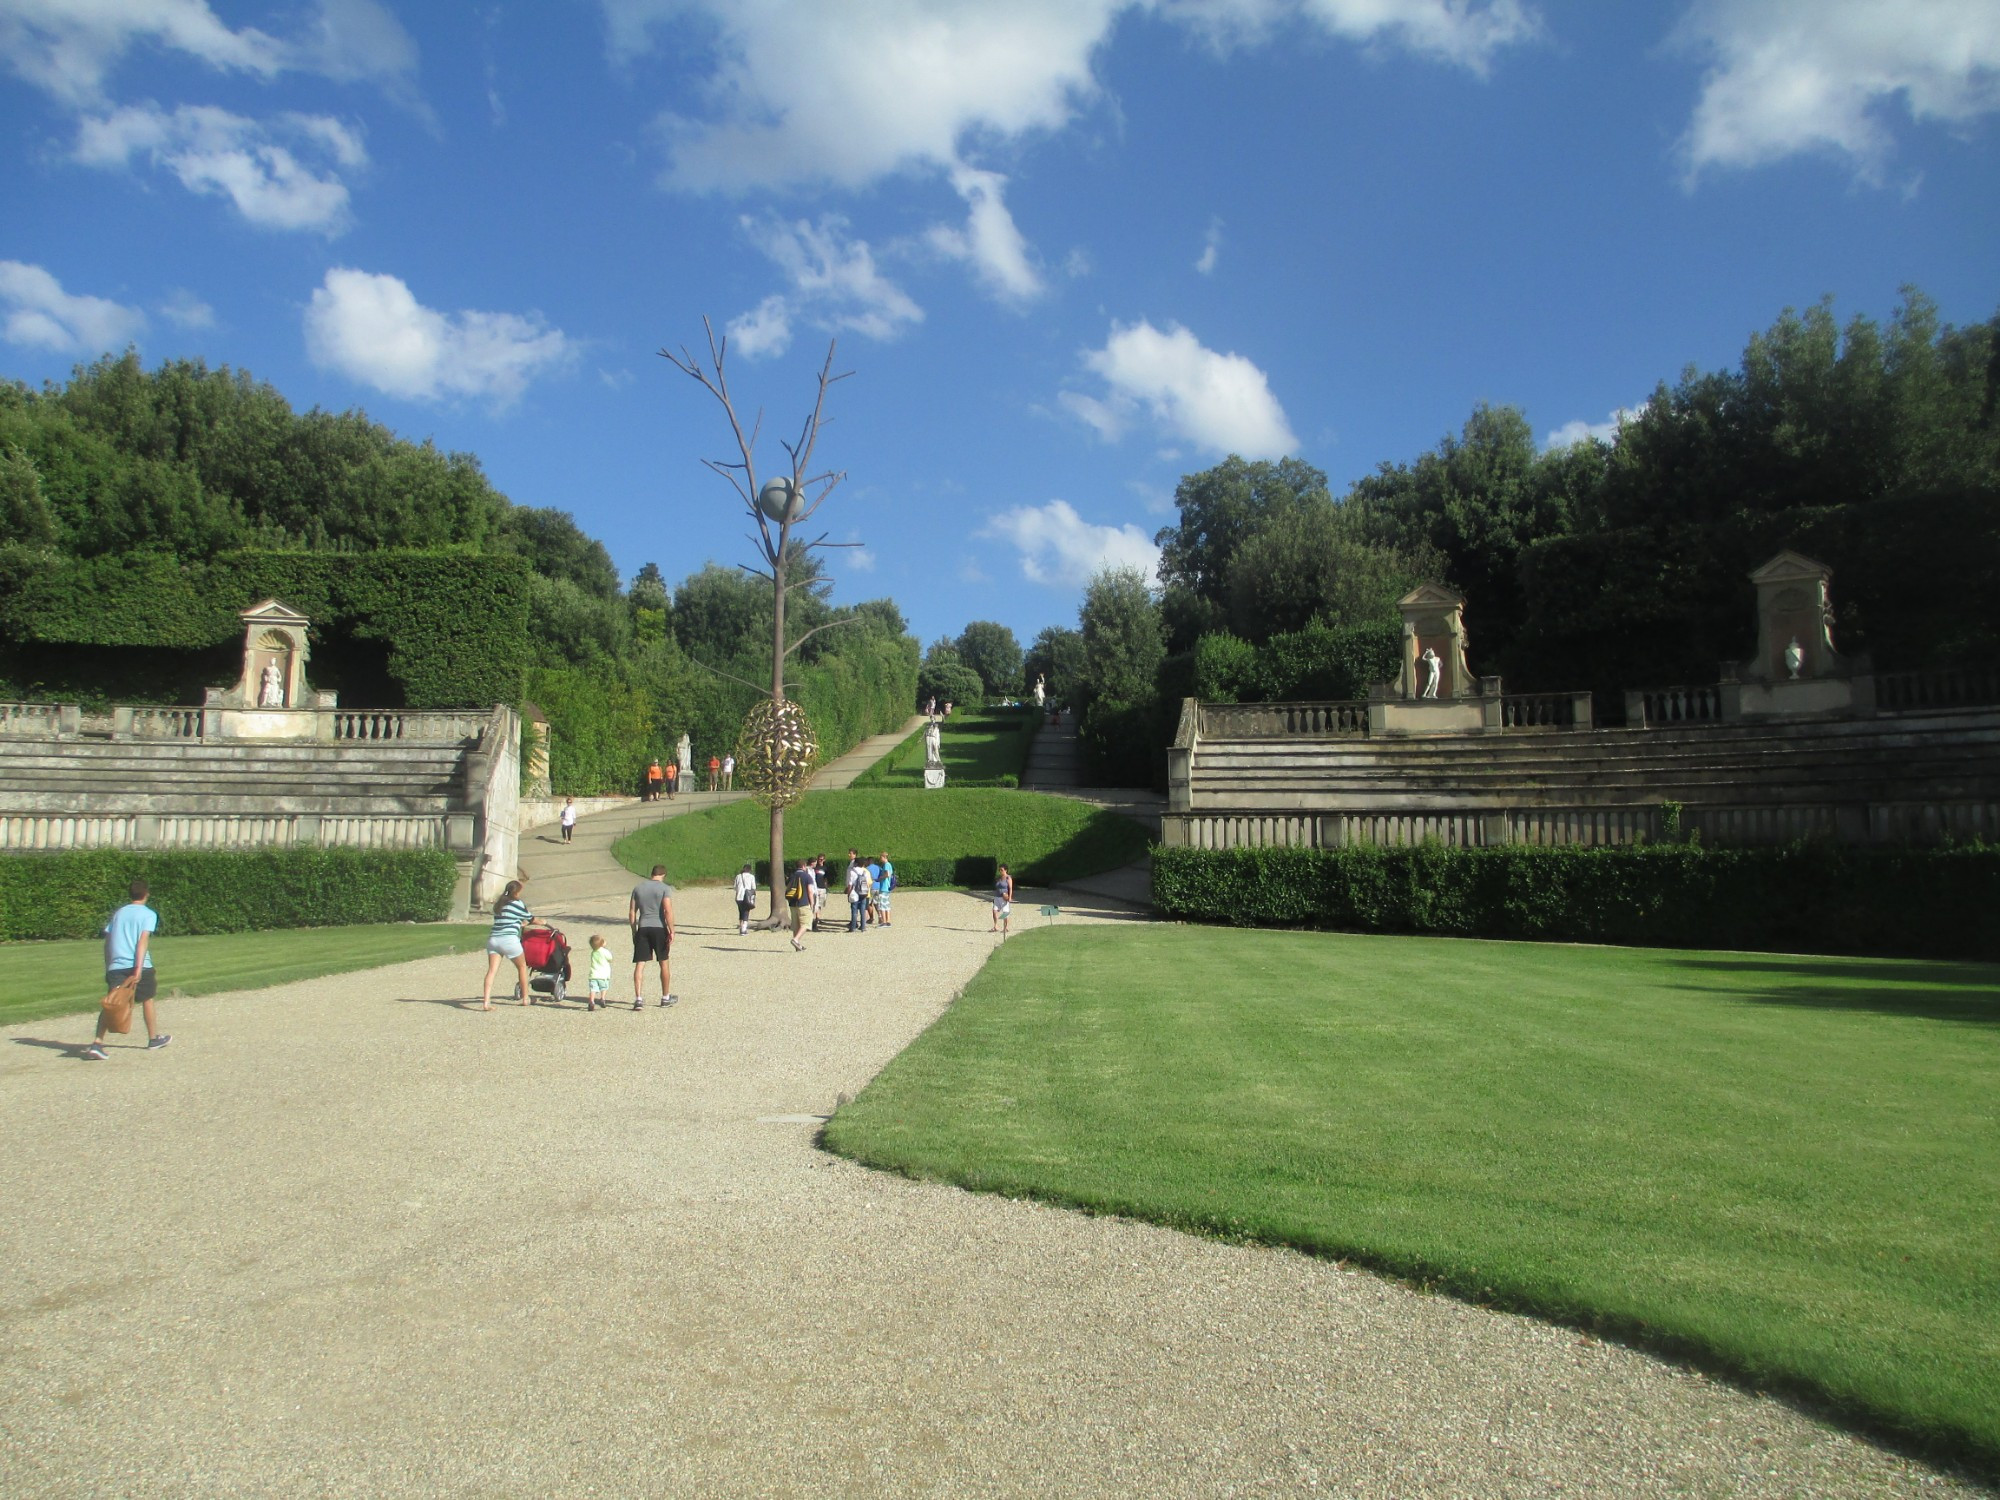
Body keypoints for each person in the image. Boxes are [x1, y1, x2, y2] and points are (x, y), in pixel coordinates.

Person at [82, 879, 168, 1058]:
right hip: (140, 965)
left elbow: (108, 941)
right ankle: (153, 1038)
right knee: (147, 1000)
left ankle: (97, 1042)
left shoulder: (119, 913)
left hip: (117, 964)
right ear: (146, 894)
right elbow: (142, 941)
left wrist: (109, 965)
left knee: (112, 1003)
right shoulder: (148, 914)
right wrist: (138, 968)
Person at [629, 864, 677, 1009]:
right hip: (659, 927)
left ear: (652, 874)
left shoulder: (638, 888)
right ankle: (665, 997)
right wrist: (672, 930)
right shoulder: (664, 888)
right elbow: (667, 911)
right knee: (663, 962)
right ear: (663, 875)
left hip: (643, 927)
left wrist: (634, 930)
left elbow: (632, 912)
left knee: (640, 963)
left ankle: (638, 999)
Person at [480, 879, 532, 1010]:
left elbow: (506, 920)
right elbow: (530, 917)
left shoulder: (499, 904)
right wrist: (541, 921)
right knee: (522, 967)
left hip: (494, 940)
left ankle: (486, 1002)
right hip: (509, 940)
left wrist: (520, 923)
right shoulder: (518, 903)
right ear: (517, 892)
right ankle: (525, 998)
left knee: (491, 971)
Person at [785, 858, 814, 951]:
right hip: (803, 902)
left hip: (792, 903)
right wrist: (812, 903)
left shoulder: (792, 876)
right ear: (804, 866)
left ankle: (797, 946)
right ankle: (796, 939)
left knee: (796, 924)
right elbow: (810, 891)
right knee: (806, 923)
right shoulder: (806, 876)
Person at [585, 934, 612, 1012]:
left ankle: (591, 1001)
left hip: (593, 975)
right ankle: (602, 998)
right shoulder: (604, 951)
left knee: (593, 989)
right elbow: (610, 958)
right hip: (603, 975)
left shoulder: (593, 952)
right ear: (602, 944)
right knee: (604, 987)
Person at [846, 848, 868, 933]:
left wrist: (848, 892)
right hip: (863, 892)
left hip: (854, 892)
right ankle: (863, 927)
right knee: (862, 909)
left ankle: (853, 927)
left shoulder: (852, 871)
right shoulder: (864, 871)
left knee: (854, 910)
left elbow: (850, 883)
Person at [733, 862, 758, 935]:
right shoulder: (751, 877)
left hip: (738, 896)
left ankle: (741, 927)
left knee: (741, 912)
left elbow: (735, 887)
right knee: (746, 912)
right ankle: (744, 928)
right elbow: (753, 888)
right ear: (750, 870)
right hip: (747, 896)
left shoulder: (738, 876)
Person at [992, 863, 1013, 937]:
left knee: (1005, 912)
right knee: (994, 911)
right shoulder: (999, 878)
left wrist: (1010, 897)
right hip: (997, 897)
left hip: (1004, 897)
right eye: (1000, 870)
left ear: (1006, 870)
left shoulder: (1008, 878)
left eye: (1002, 870)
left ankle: (1006, 927)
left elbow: (1010, 888)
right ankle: (995, 926)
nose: (1000, 871)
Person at [874, 851, 895, 928]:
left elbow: (887, 874)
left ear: (884, 857)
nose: (880, 859)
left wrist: (879, 878)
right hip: (887, 887)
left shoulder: (886, 865)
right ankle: (888, 921)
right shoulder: (889, 865)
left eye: (881, 857)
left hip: (884, 887)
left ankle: (884, 921)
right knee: (887, 904)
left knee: (882, 904)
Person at [810, 854, 829, 932]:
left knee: (820, 904)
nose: (820, 861)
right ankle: (814, 920)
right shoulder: (815, 868)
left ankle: (818, 918)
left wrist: (826, 887)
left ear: (824, 860)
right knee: (814, 903)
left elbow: (826, 878)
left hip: (822, 888)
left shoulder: (825, 868)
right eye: (819, 859)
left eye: (822, 859)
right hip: (816, 888)